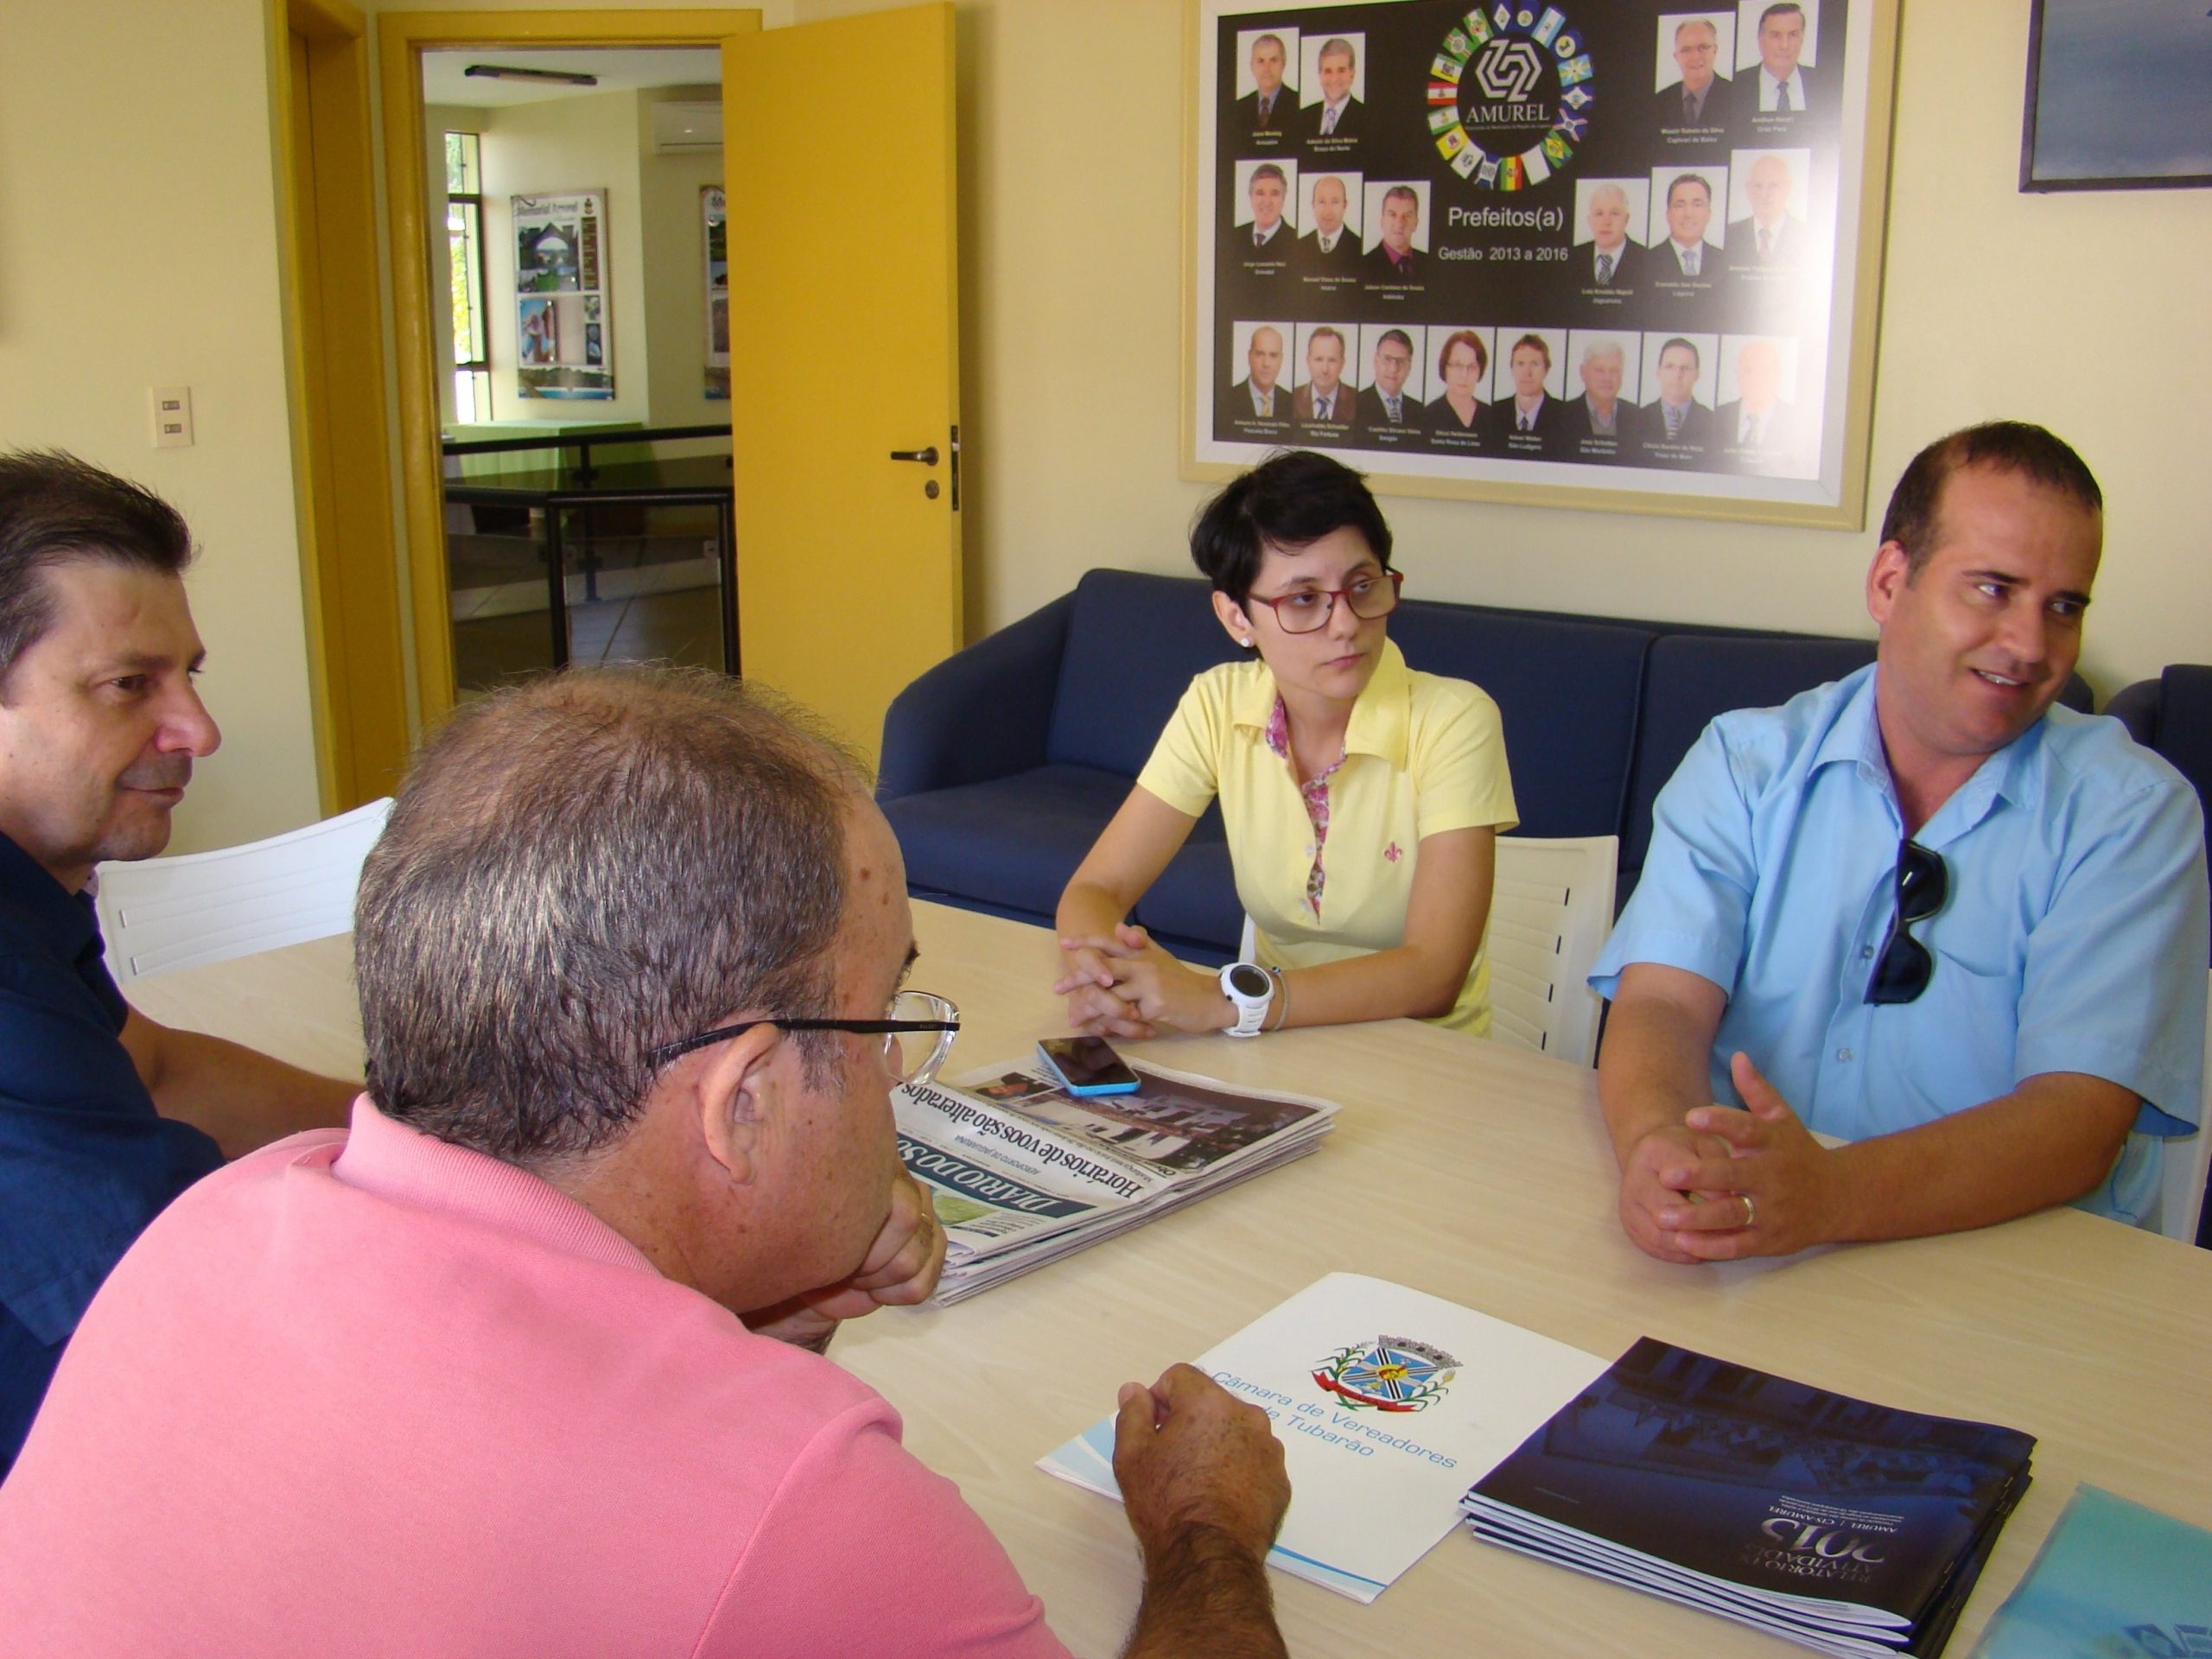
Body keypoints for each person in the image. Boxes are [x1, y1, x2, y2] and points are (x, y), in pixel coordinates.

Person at [0, 666, 1297, 1656]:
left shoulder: (210, 1225)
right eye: (888, 1020)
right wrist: (1204, 1531)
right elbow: (695, 1510)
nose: (899, 1075)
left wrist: (759, 1315)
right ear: (737, 1108)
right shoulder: (806, 1508)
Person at [1591, 423, 2208, 1262]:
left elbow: (2077, 1120)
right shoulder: (1745, 763)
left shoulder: (2131, 815)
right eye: (1992, 588)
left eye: (2063, 606)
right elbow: (1660, 1003)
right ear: (1889, 581)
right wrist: (1657, 1146)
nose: (2031, 645)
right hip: (1749, 1239)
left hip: (2020, 1275)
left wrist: (1828, 1196)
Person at [0, 452, 358, 1476]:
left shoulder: (32, 902)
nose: (196, 730)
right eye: (127, 686)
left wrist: (428, 1128)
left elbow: (156, 1072)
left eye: (187, 675)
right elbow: (189, 1312)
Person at [1056, 451, 1516, 1041]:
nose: (1345, 622)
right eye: (1304, 599)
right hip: (1282, 1049)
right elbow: (1096, 889)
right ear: (1236, 618)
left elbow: (1434, 974)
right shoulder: (1217, 705)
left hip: (1427, 1059)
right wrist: (1101, 974)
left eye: (1362, 586)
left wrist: (1225, 1002)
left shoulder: (1455, 720)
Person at [1714, 338, 1801, 472]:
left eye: (1765, 371)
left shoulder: (1797, 421)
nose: (1756, 378)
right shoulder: (1716, 416)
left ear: (1778, 376)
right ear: (1737, 375)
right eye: (1748, 370)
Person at [1651, 173, 1727, 315]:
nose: (1688, 214)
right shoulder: (1646, 261)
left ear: (1709, 213)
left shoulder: (1725, 261)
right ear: (1668, 214)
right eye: (1680, 205)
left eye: (1697, 205)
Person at [1491, 334, 1569, 458]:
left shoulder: (1564, 414)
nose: (1527, 372)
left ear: (1546, 370)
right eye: (1520, 364)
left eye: (1534, 364)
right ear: (1512, 369)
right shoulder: (1493, 413)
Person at [1727, 153, 1808, 270]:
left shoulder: (1806, 236)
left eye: (1773, 185)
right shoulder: (1729, 235)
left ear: (1787, 188)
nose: (1764, 194)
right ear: (1748, 189)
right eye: (1758, 186)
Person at [1638, 336, 1715, 458]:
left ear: (1697, 375)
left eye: (1685, 368)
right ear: (1658, 372)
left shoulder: (1713, 422)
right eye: (1670, 366)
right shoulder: (1637, 419)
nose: (1677, 375)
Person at [1565, 340, 1642, 461]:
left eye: (1614, 370)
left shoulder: (1637, 416)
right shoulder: (1563, 415)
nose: (1607, 378)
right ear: (1583, 372)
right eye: (1599, 370)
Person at [1654, 16, 1731, 135]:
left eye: (1703, 48)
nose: (1695, 57)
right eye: (1686, 50)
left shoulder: (1736, 96)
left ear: (1715, 51)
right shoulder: (1659, 101)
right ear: (1676, 56)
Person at [1738, 3, 1814, 121]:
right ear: (1760, 40)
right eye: (1776, 36)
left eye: (1793, 35)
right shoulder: (1735, 86)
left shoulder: (1823, 83)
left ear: (1802, 39)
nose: (1784, 45)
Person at [1220, 325, 1294, 435]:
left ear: (1281, 360)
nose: (1266, 363)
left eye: (1273, 355)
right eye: (1260, 354)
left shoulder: (1293, 403)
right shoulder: (1226, 400)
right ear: (1249, 357)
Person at [1426, 328, 1489, 449]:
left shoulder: (1491, 416)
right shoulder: (1427, 417)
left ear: (1480, 371)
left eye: (1471, 367)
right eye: (1457, 365)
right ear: (1445, 368)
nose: (1464, 375)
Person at [1360, 328, 1425, 443]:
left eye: (1400, 361)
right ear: (1376, 361)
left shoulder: (1420, 411)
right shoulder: (1355, 404)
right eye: (1388, 359)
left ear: (1409, 367)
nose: (1393, 368)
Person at [1295, 174, 1362, 283]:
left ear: (1345, 205)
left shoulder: (1360, 249)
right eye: (1322, 202)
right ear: (1313, 205)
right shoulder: (1298, 247)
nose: (1328, 211)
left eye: (1335, 202)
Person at [1581, 183, 1645, 296]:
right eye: (1599, 213)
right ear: (1589, 220)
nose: (1606, 222)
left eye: (1614, 213)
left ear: (1626, 219)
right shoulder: (1573, 257)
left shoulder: (1647, 259)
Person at [1292, 326, 1359, 432]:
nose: (1325, 369)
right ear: (1308, 361)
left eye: (1332, 360)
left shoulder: (1358, 400)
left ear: (1342, 364)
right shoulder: (1291, 398)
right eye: (1318, 359)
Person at [1233, 31, 1295, 142]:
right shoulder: (1237, 109)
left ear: (1283, 64)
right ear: (1252, 66)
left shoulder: (1298, 105)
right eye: (1261, 61)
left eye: (1273, 60)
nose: (1267, 68)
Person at [1302, 37, 1363, 142]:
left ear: (1352, 74)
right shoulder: (1303, 117)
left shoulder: (1366, 118)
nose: (1334, 79)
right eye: (1328, 71)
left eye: (1341, 71)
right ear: (1320, 75)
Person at [1363, 185, 1423, 285]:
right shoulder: (1363, 266)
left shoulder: (1430, 263)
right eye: (1392, 215)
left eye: (1407, 216)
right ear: (1382, 221)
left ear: (1416, 223)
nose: (1399, 223)